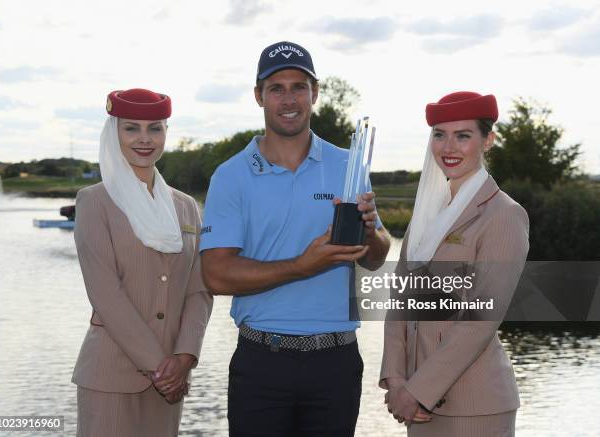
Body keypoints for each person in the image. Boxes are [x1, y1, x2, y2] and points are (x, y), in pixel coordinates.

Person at [200, 41, 391, 436]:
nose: (289, 99)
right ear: (259, 97)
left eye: (299, 87)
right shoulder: (231, 175)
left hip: (335, 361)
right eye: (276, 88)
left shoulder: (348, 163)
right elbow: (216, 275)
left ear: (315, 93)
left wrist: (371, 232)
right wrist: (301, 267)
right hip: (262, 361)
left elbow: (374, 257)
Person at [380, 91, 529, 436]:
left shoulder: (504, 216)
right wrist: (396, 378)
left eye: (463, 136)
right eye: (439, 134)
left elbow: (480, 320)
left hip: (474, 408)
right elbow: (400, 301)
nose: (449, 147)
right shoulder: (428, 213)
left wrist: (417, 391)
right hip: (416, 403)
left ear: (488, 140)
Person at [72, 88, 213, 437]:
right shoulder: (93, 202)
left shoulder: (186, 207)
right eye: (131, 128)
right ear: (113, 132)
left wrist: (185, 356)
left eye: (156, 128)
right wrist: (162, 368)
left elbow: (200, 290)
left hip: (171, 377)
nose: (144, 139)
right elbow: (106, 294)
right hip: (110, 376)